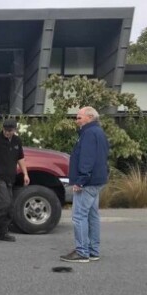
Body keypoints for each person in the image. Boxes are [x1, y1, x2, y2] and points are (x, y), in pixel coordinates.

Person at [61, 106, 110, 263]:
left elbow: (87, 159)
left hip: (87, 182)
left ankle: (82, 252)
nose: (76, 120)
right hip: (97, 180)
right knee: (92, 216)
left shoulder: (88, 133)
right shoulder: (99, 132)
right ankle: (93, 251)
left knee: (79, 216)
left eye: (79, 117)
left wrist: (81, 180)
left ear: (90, 117)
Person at [0, 118, 30, 243]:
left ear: (14, 129)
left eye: (10, 130)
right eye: (6, 130)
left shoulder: (17, 141)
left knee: (10, 207)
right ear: (3, 128)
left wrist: (25, 174)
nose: (8, 132)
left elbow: (21, 158)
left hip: (10, 178)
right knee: (4, 203)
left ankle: (2, 232)